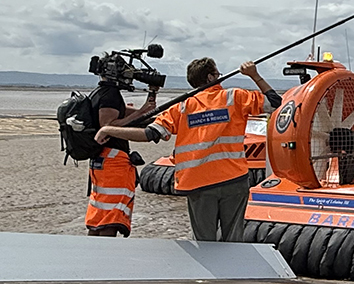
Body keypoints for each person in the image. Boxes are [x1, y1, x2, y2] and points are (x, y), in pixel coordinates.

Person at [96, 58, 282, 242]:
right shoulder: (235, 97)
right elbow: (275, 103)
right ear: (210, 77)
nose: (220, 77)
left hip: (198, 184)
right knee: (234, 241)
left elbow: (149, 134)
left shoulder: (181, 107)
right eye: (217, 74)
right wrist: (254, 75)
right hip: (233, 180)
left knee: (203, 243)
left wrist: (107, 129)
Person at [86, 77, 158, 237]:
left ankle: (93, 255)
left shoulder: (101, 93)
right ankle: (107, 255)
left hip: (101, 160)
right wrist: (140, 112)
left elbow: (145, 114)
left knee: (99, 215)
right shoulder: (110, 95)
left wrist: (152, 94)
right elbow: (108, 125)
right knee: (111, 216)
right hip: (113, 161)